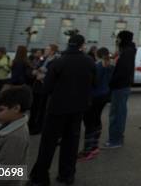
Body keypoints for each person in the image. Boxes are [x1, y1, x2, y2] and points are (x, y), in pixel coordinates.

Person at [29, 34, 96, 186]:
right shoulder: (89, 62)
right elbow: (94, 83)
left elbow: (47, 88)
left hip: (57, 108)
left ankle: (40, 177)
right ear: (82, 45)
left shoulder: (59, 62)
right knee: (71, 142)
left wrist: (43, 80)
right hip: (78, 108)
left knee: (48, 143)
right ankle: (67, 174)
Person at [79, 47, 114, 160]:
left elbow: (95, 82)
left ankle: (88, 150)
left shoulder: (98, 66)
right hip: (104, 95)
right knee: (97, 119)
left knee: (89, 122)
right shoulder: (110, 66)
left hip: (94, 96)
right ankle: (95, 146)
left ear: (97, 55)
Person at [104, 30, 136, 148]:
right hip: (122, 86)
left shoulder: (127, 52)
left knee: (117, 114)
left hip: (120, 87)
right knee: (118, 113)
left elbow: (121, 71)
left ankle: (115, 140)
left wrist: (111, 82)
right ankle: (117, 138)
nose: (116, 40)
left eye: (118, 38)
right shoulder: (127, 51)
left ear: (123, 39)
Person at [29, 44, 60, 135]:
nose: (45, 51)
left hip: (45, 87)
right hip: (37, 86)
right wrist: (36, 71)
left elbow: (54, 74)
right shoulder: (43, 59)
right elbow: (36, 68)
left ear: (52, 51)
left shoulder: (56, 61)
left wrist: (44, 75)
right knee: (34, 107)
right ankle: (31, 124)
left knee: (41, 108)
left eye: (47, 49)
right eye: (45, 49)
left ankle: (39, 127)